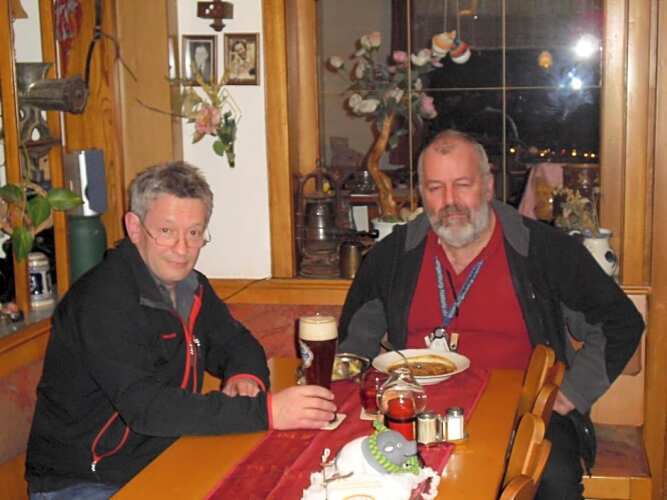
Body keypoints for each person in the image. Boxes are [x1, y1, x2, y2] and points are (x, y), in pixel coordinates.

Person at [338, 130, 644, 499]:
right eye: (435, 188)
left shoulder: (546, 251)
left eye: (462, 185)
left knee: (555, 481)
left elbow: (620, 322)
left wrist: (570, 394)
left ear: (487, 186)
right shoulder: (392, 257)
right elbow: (353, 345)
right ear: (420, 193)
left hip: (523, 414)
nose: (450, 201)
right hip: (418, 412)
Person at [25, 162, 336, 499]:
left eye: (194, 233)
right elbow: (147, 408)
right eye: (166, 231)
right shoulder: (103, 300)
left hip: (165, 457)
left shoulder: (191, 287)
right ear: (134, 227)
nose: (182, 248)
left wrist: (245, 376)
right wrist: (268, 411)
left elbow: (236, 342)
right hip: (85, 482)